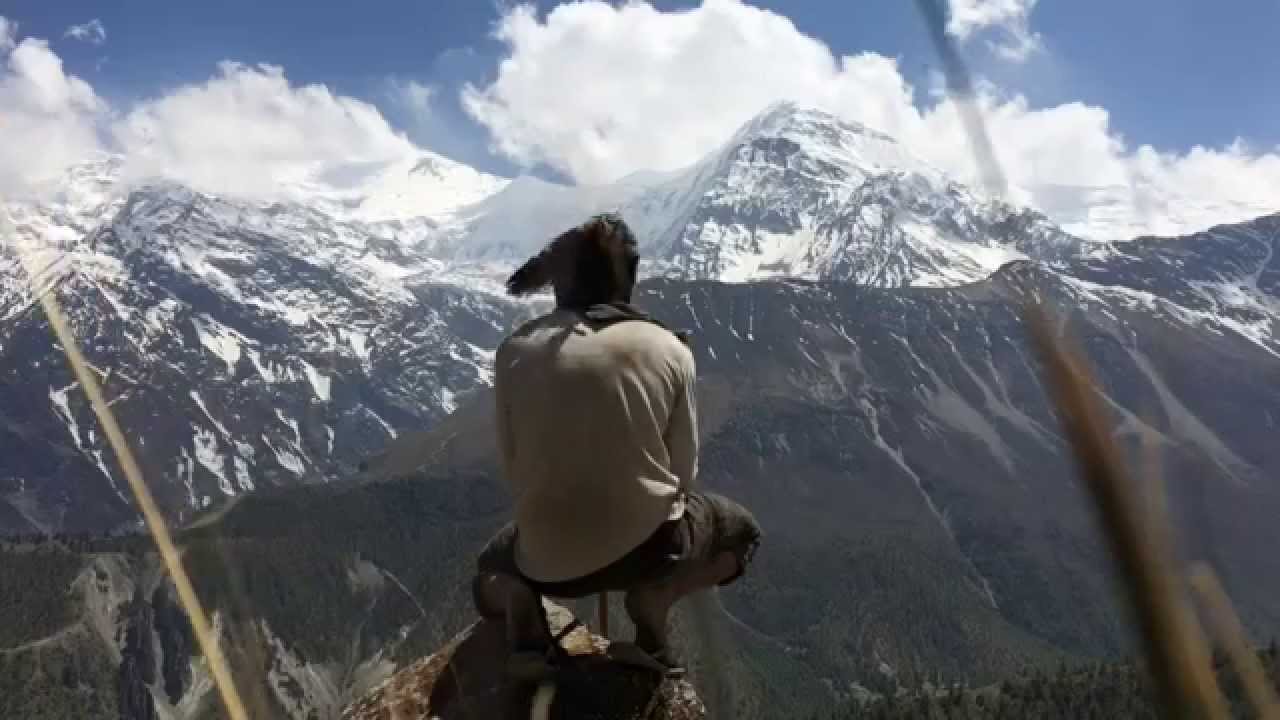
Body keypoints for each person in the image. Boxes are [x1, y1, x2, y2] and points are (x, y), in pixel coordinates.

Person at [471, 212, 762, 679]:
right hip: (649, 549)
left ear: (561, 286)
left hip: (544, 561)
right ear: (628, 280)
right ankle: (655, 601)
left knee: (489, 568)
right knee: (742, 531)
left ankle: (523, 612)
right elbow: (683, 474)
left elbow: (512, 463)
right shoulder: (668, 348)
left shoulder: (515, 349)